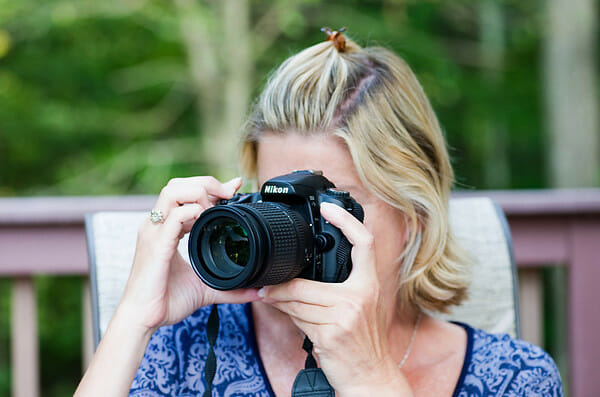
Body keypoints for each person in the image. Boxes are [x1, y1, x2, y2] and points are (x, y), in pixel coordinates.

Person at [76, 29, 562, 396]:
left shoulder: (515, 377)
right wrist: (135, 319)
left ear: (415, 213)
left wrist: (369, 375)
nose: (295, 226)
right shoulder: (189, 348)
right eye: (277, 198)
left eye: (328, 202)